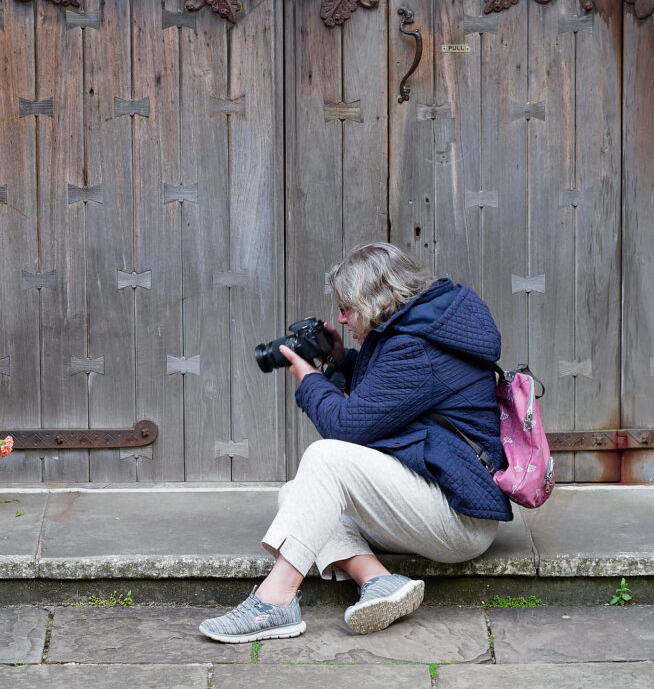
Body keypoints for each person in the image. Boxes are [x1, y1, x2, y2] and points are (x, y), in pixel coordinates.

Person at [199, 242, 513, 643]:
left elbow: (347, 427)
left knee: (326, 458)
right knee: (296, 495)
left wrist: (310, 378)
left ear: (374, 300)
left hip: (460, 519)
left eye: (347, 307)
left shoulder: (415, 347)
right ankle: (379, 581)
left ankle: (274, 602)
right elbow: (388, 395)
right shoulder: (416, 328)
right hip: (438, 495)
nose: (342, 317)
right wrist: (339, 357)